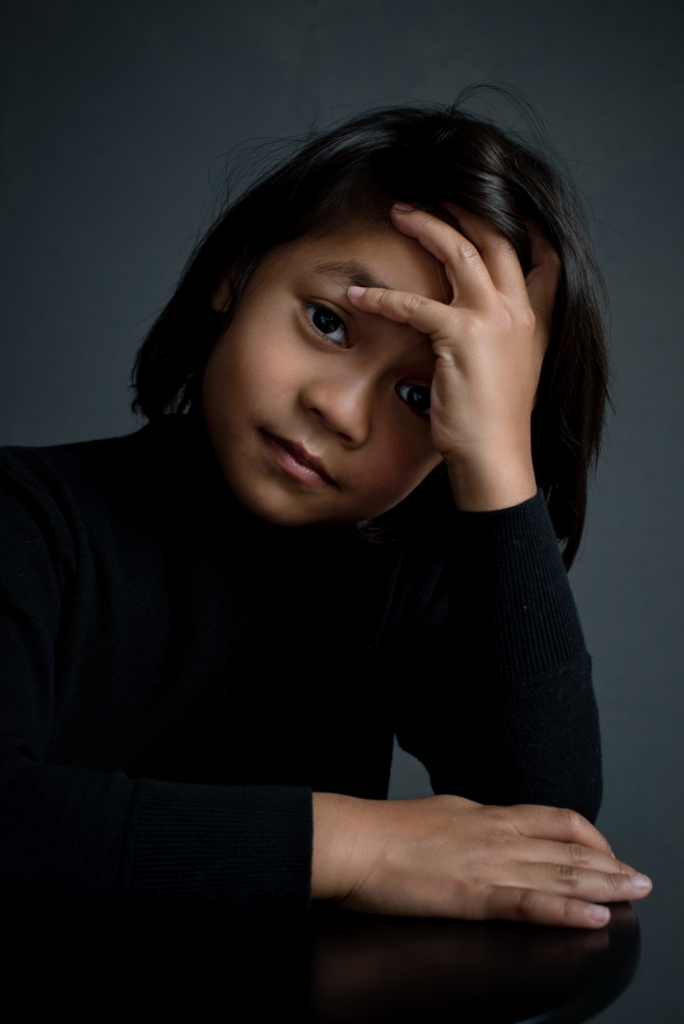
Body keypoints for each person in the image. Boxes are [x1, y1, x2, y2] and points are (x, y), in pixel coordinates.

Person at [0, 94, 652, 928]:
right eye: (328, 322)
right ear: (235, 274)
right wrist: (360, 846)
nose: (342, 412)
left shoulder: (401, 581)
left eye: (422, 394)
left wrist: (496, 455)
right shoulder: (29, 521)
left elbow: (542, 832)